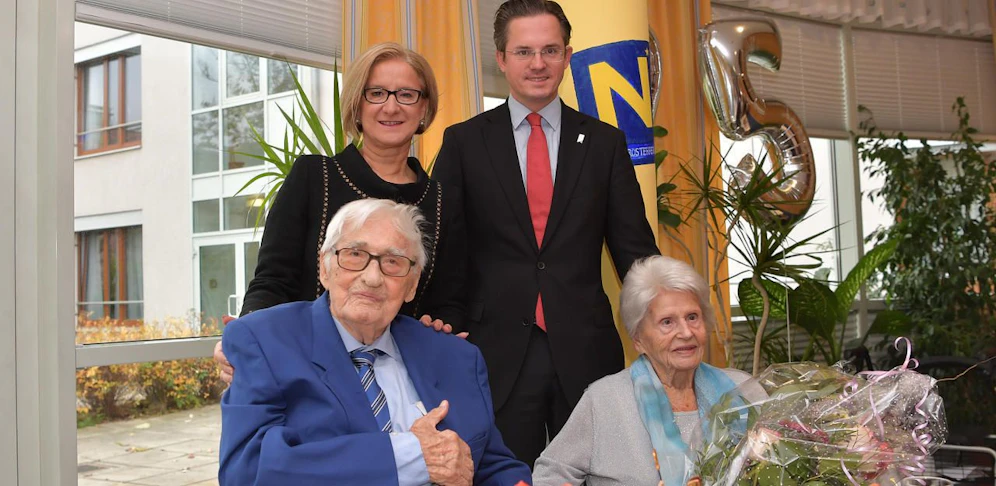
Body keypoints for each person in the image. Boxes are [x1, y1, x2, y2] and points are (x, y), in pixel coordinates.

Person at [431, 0, 659, 467]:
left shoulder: (604, 143)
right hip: (492, 355)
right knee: (504, 475)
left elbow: (636, 254)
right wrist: (442, 337)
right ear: (501, 59)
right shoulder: (463, 143)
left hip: (587, 353)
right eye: (524, 51)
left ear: (568, 55)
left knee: (603, 476)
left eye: (550, 50)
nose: (538, 64)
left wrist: (666, 325)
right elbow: (444, 252)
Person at [219, 199, 530, 486]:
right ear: (325, 268)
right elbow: (248, 469)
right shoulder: (265, 341)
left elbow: (492, 465)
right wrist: (411, 454)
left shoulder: (456, 356)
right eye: (355, 254)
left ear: (412, 284)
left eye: (393, 262)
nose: (372, 277)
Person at [214, 42, 467, 381]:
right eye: (376, 93)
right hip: (305, 373)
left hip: (401, 382)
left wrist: (440, 324)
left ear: (424, 108)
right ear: (356, 105)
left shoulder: (442, 199)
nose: (391, 107)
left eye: (407, 94)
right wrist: (248, 336)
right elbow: (273, 280)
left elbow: (449, 300)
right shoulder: (313, 177)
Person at [531, 256, 752, 486]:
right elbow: (550, 475)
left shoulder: (743, 391)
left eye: (692, 317)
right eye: (667, 322)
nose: (686, 332)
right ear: (637, 339)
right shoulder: (605, 400)